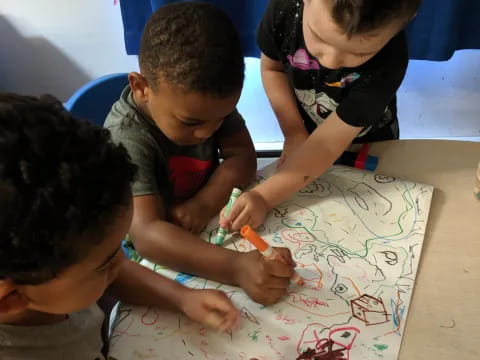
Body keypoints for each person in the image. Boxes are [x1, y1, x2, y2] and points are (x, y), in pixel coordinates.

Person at [0, 94, 239, 359]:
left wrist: (182, 298)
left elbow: (116, 272)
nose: (121, 261)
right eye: (106, 263)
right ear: (9, 299)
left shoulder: (48, 273)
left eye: (116, 251)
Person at [105, 2, 296, 306]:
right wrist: (236, 266)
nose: (206, 132)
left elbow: (243, 157)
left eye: (219, 119)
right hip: (153, 259)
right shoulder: (126, 137)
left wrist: (202, 205)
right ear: (141, 87)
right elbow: (146, 234)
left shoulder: (205, 105)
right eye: (190, 123)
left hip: (206, 224)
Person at [221, 0, 421, 230]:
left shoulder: (390, 60)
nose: (331, 61)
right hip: (305, 135)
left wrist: (264, 197)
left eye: (359, 53)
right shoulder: (283, 12)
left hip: (370, 145)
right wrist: (294, 132)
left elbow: (325, 145)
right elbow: (272, 68)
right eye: (320, 38)